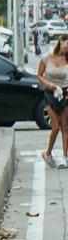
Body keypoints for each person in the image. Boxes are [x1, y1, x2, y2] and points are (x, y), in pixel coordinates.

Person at [37, 34, 68, 167]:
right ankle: (48, 153)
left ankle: (65, 157)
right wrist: (49, 85)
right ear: (61, 41)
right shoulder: (46, 58)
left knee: (65, 127)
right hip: (50, 94)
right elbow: (39, 75)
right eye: (67, 45)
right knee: (55, 127)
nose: (67, 49)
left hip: (65, 93)